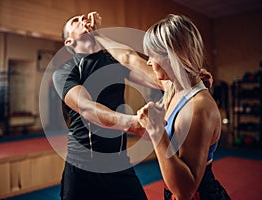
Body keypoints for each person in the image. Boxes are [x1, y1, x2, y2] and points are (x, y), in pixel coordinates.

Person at [90, 12, 230, 200]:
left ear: (171, 56)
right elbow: (129, 58)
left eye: (151, 56)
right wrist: (97, 35)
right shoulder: (172, 86)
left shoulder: (199, 107)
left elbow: (185, 192)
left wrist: (156, 131)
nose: (148, 62)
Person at [52, 13, 163, 200]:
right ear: (69, 42)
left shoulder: (113, 62)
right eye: (75, 20)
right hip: (82, 166)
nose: (82, 19)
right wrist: (133, 122)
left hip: (117, 162)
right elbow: (87, 108)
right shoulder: (65, 71)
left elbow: (155, 78)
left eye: (83, 17)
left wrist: (186, 78)